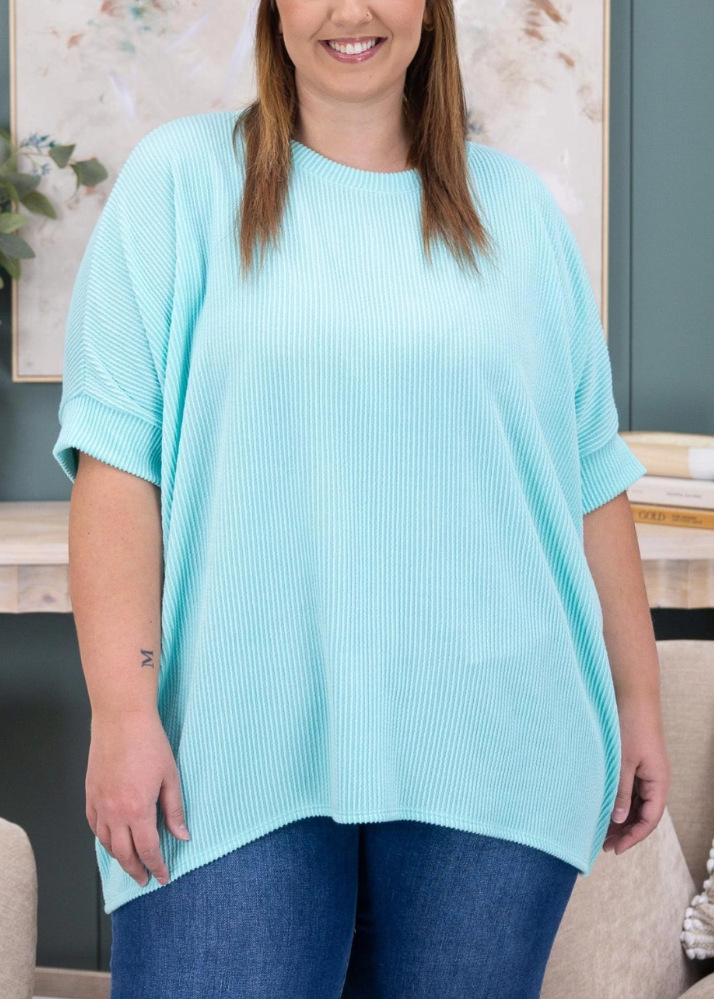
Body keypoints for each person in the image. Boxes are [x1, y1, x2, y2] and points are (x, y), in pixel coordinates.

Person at [52, 0, 670, 996]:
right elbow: (118, 464)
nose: (350, 11)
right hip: (230, 748)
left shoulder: (517, 211)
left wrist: (638, 701)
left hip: (498, 744)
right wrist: (123, 711)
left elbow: (590, 477)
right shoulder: (178, 181)